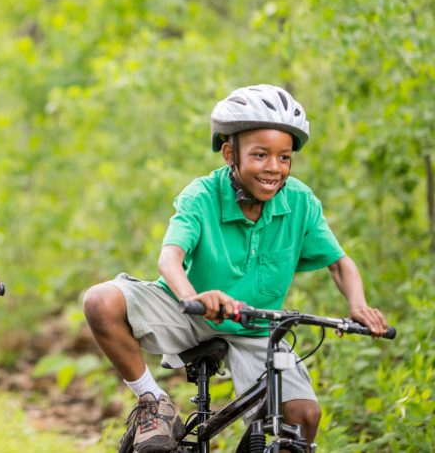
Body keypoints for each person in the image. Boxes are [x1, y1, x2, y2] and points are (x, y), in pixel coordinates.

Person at [81, 84, 388, 453]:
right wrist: (194, 297)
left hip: (256, 325)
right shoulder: (201, 194)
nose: (274, 168)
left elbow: (339, 264)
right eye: (260, 155)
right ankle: (153, 402)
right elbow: (170, 258)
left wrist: (357, 304)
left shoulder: (300, 202)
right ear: (230, 153)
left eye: (284, 158)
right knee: (101, 301)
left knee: (303, 417)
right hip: (187, 311)